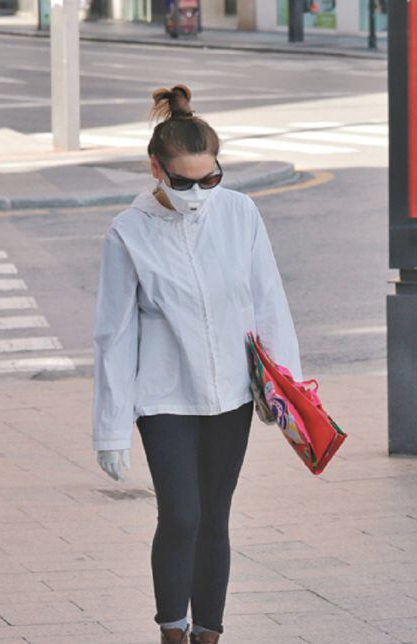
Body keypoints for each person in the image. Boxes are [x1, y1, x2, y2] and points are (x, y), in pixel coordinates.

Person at [91, 84, 302, 644]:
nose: (198, 192)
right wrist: (110, 429)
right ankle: (172, 631)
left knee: (215, 519)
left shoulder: (239, 213)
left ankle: (209, 633)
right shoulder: (128, 232)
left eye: (210, 178)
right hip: (162, 397)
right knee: (181, 516)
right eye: (184, 181)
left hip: (231, 394)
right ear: (155, 169)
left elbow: (268, 299)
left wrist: (291, 392)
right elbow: (113, 336)